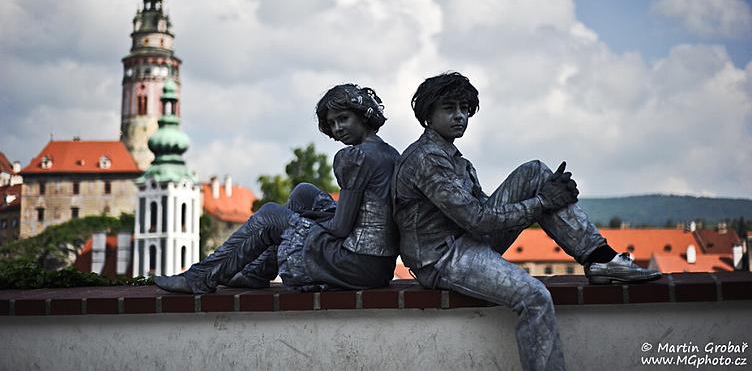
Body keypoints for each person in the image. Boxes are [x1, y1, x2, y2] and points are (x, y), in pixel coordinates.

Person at [392, 72, 660, 371]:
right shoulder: (427, 159)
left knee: (535, 171)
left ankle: (601, 258)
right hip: (442, 258)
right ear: (428, 114)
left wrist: (545, 196)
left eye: (465, 109)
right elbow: (478, 219)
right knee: (535, 297)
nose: (460, 116)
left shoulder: (455, 158)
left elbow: (480, 210)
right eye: (449, 108)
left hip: (468, 241)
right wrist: (544, 202)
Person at [155, 84, 400, 294]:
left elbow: (341, 227)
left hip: (355, 264)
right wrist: (302, 219)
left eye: (343, 118)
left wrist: (297, 221)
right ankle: (256, 271)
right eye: (332, 123)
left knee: (272, 214)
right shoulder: (389, 153)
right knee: (304, 193)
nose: (337, 128)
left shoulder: (355, 157)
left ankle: (199, 278)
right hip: (379, 267)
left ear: (363, 115)